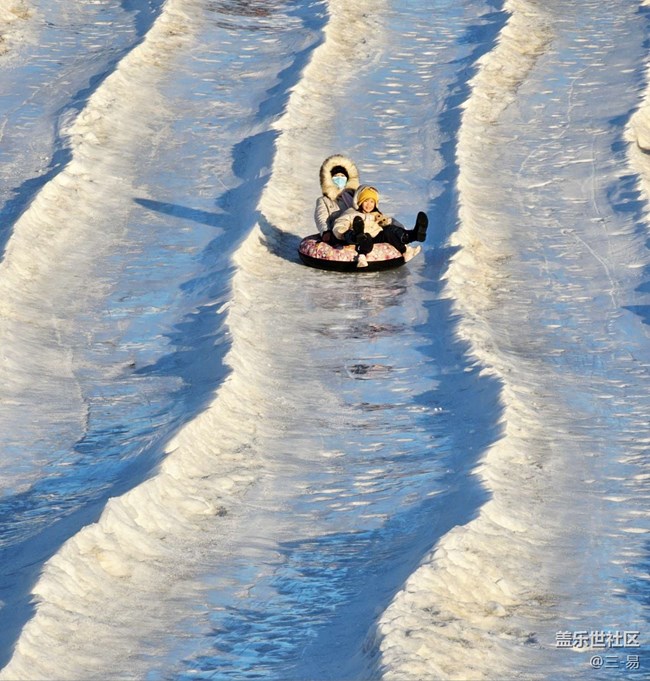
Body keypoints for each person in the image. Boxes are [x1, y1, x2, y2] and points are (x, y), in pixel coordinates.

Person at [332, 184, 428, 267]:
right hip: (357, 237)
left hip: (376, 236)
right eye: (366, 201)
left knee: (389, 231)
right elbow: (340, 224)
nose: (369, 205)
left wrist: (392, 225)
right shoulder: (351, 213)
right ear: (360, 202)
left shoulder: (376, 214)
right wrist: (343, 232)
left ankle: (412, 236)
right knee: (365, 236)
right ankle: (362, 255)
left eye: (372, 202)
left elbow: (390, 222)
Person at [314, 154, 360, 237]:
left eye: (342, 176)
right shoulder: (324, 200)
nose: (339, 178)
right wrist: (326, 231)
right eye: (336, 176)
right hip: (336, 232)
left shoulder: (355, 197)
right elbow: (321, 217)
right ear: (329, 179)